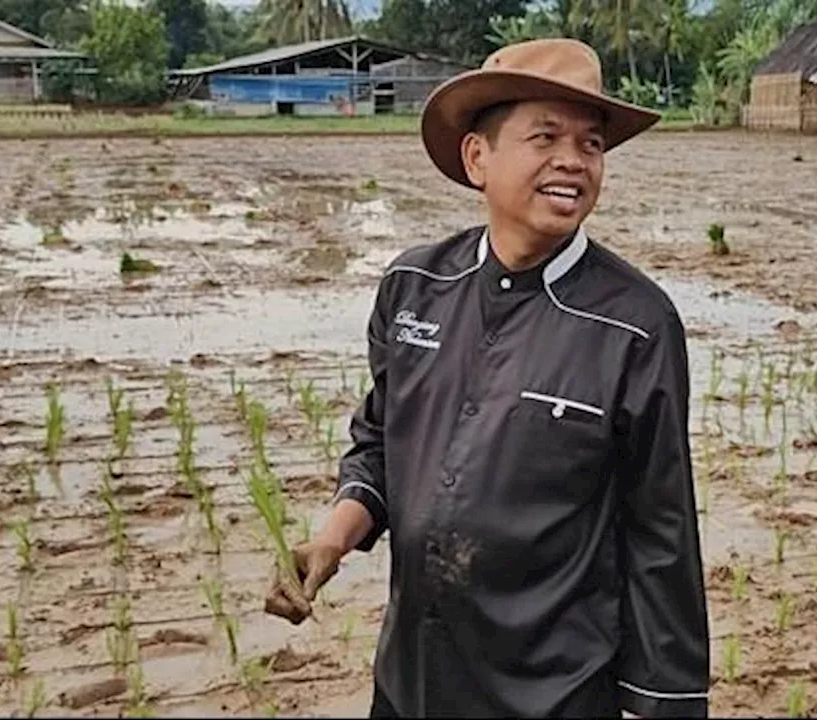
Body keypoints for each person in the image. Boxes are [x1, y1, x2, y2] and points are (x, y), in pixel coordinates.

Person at [265, 38, 709, 719]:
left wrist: (666, 706)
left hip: (551, 693)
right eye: (545, 137)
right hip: (412, 679)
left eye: (591, 144)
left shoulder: (635, 326)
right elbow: (382, 443)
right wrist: (332, 538)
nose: (573, 160)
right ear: (478, 158)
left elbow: (661, 532)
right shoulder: (414, 288)